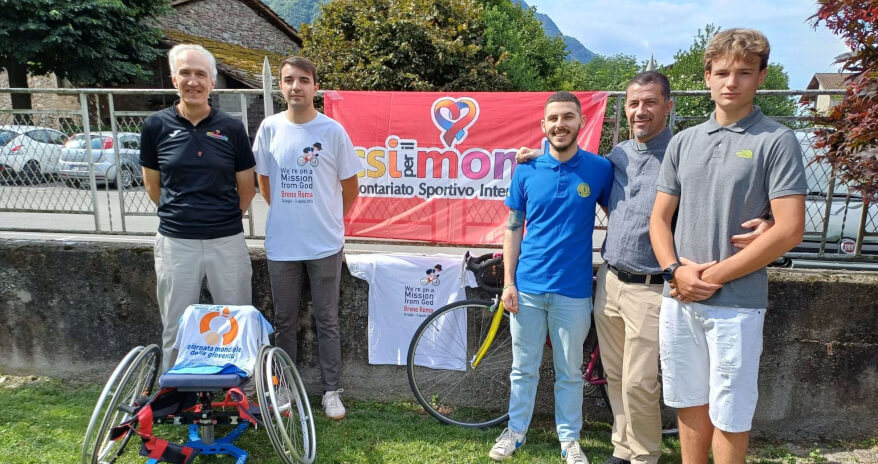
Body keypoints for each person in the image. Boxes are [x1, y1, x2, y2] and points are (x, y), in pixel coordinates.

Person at [516, 72, 772, 464]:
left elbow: (724, 191)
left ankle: (644, 455)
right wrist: (535, 156)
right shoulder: (617, 156)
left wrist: (769, 219)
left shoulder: (683, 151)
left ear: (668, 106)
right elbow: (571, 167)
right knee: (617, 376)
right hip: (610, 281)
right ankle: (623, 449)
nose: (640, 111)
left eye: (650, 102)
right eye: (633, 103)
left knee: (639, 381)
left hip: (654, 285)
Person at [649, 28, 806, 464]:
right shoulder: (683, 141)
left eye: (744, 72)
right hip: (679, 298)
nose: (731, 82)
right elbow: (659, 219)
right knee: (688, 403)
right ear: (707, 77)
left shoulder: (776, 140)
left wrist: (709, 278)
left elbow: (790, 229)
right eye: (721, 72)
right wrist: (675, 272)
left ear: (761, 76)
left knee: (730, 414)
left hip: (736, 304)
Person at [491, 91, 613, 463]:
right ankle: (515, 432)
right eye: (554, 118)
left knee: (569, 372)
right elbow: (513, 228)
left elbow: (624, 215)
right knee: (522, 369)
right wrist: (509, 282)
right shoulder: (526, 169)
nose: (561, 124)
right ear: (543, 125)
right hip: (527, 287)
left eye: (568, 117)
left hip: (573, 291)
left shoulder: (600, 169)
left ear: (581, 122)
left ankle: (569, 440)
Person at [252, 56, 361, 420]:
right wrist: (289, 213)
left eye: (303, 80)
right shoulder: (269, 128)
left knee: (327, 320)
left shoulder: (332, 132)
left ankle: (331, 391)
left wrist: (326, 218)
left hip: (324, 244)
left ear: (315, 86)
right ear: (280, 86)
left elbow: (350, 187)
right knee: (284, 321)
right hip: (282, 244)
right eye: (288, 80)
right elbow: (265, 182)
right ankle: (285, 387)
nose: (295, 86)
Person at [140, 44, 256, 373]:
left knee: (236, 322)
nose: (193, 81)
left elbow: (247, 188)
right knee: (176, 326)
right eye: (186, 73)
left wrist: (221, 219)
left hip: (226, 241)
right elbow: (152, 186)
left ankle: (238, 390)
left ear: (212, 82)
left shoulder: (232, 128)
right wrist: (184, 216)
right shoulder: (155, 126)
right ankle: (173, 392)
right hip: (176, 242)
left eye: (201, 74)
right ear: (174, 79)